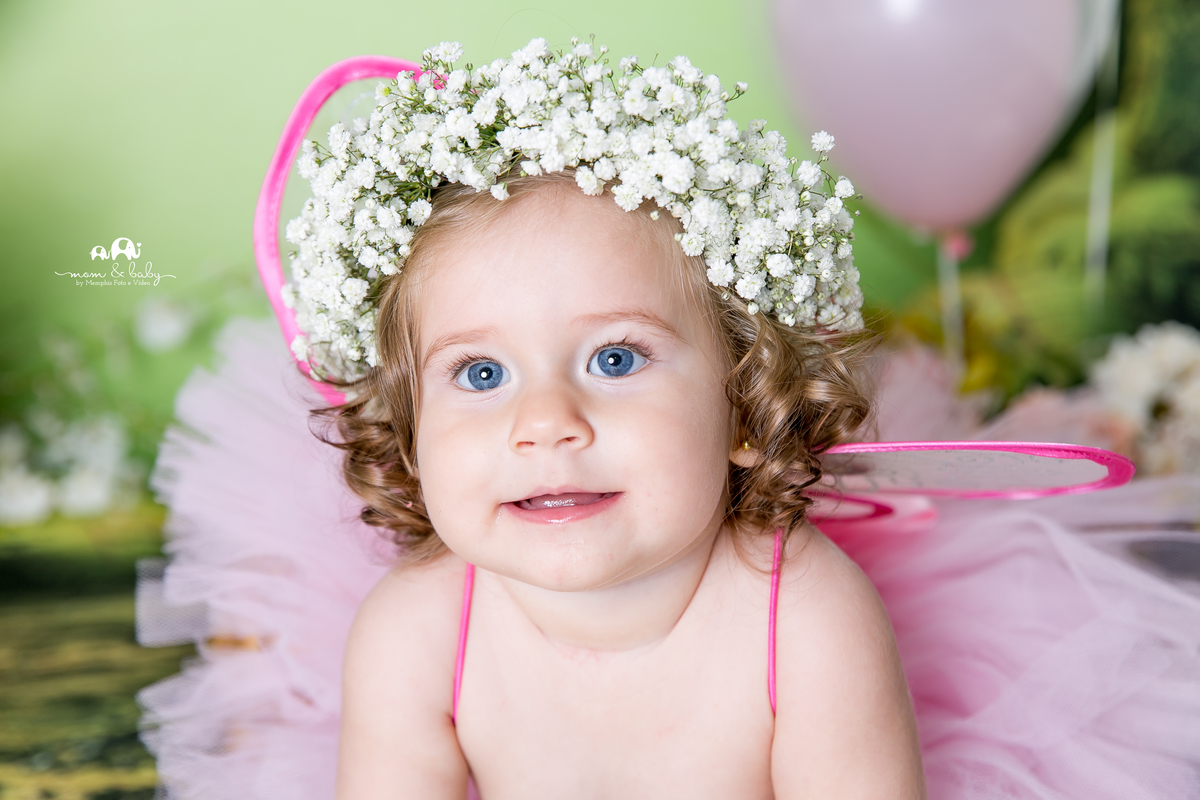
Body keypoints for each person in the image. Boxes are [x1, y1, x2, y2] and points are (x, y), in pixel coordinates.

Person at [136, 38, 1200, 800]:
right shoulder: (418, 633)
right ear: (409, 428)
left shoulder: (803, 616)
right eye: (478, 374)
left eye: (615, 357)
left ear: (744, 401)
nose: (546, 421)